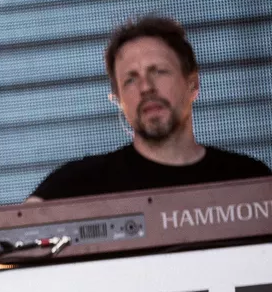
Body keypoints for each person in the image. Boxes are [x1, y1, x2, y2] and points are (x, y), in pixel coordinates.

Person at [31, 14, 269, 199]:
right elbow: (16, 238)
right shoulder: (79, 183)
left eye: (159, 72)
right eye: (130, 80)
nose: (146, 87)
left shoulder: (249, 179)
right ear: (118, 98)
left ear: (192, 84)